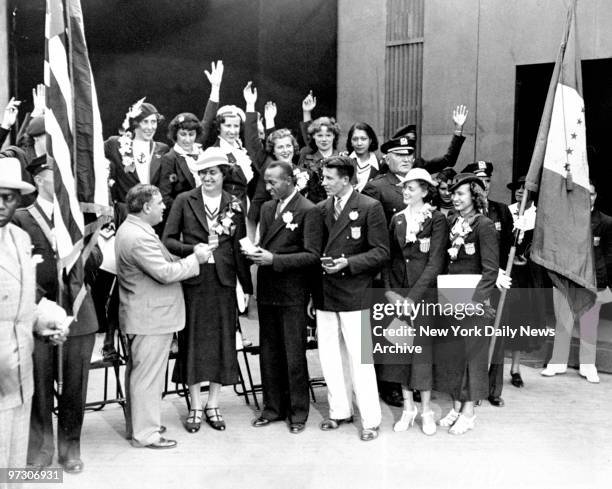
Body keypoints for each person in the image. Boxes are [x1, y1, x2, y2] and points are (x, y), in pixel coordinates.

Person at [12, 156, 100, 474]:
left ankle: (70, 446)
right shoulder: (21, 217)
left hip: (77, 312)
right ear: (38, 179)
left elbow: (97, 260)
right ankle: (41, 448)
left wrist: (76, 251)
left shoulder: (74, 216)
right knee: (37, 383)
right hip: (37, 314)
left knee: (75, 384)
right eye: (54, 174)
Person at [163, 148, 253, 433]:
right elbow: (167, 240)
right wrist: (193, 249)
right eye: (202, 173)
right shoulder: (183, 200)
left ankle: (213, 403)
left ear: (223, 174)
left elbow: (240, 247)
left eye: (212, 172)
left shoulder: (235, 203)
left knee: (221, 343)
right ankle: (195, 406)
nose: (207, 178)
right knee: (192, 342)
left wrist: (245, 286)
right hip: (194, 280)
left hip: (223, 281)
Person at [115, 184, 209, 449]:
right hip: (150, 317)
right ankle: (146, 434)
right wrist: (196, 259)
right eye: (159, 204)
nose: (163, 208)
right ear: (146, 207)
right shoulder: (139, 237)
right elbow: (165, 273)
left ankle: (141, 426)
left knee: (141, 374)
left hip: (144, 315)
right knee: (147, 377)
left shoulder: (133, 229)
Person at [313, 156, 389, 441]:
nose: (324, 182)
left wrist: (349, 263)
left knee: (360, 359)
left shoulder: (370, 207)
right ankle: (339, 411)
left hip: (355, 291)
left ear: (346, 179)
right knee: (330, 357)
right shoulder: (321, 209)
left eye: (329, 178)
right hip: (325, 291)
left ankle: (370, 419)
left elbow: (381, 252)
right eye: (324, 177)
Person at [0, 157, 67, 480]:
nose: (1, 204)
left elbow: (23, 298)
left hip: (20, 368)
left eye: (8, 197)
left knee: (12, 466)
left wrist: (44, 321)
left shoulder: (19, 238)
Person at [246, 161, 323, 434]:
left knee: (293, 353)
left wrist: (274, 259)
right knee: (269, 352)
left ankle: (297, 412)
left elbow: (313, 255)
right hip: (268, 290)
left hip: (292, 292)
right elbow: (267, 243)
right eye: (266, 182)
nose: (267, 188)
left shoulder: (308, 210)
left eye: (273, 182)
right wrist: (256, 252)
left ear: (290, 180)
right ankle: (273, 408)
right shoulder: (268, 208)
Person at [435, 173, 510, 435]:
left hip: (474, 300)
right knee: (453, 355)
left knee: (472, 358)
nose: (454, 198)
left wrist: (476, 302)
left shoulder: (484, 225)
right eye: (453, 194)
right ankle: (457, 405)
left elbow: (490, 270)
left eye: (460, 194)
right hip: (451, 297)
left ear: (474, 197)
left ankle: (469, 412)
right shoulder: (453, 221)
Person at [380, 168, 448, 436]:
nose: (405, 191)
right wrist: (390, 293)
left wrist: (412, 298)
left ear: (424, 191)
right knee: (401, 353)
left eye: (411, 188)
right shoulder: (396, 219)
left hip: (422, 296)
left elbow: (435, 263)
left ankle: (427, 410)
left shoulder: (436, 219)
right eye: (404, 187)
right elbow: (389, 259)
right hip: (398, 296)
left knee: (421, 354)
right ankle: (408, 408)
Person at [542, 182, 612, 383]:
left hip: (591, 281)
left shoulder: (605, 221)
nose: (587, 197)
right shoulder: (564, 219)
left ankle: (588, 366)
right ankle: (558, 362)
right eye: (583, 194)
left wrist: (600, 278)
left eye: (591, 194)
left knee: (590, 323)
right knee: (563, 321)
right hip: (567, 278)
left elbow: (609, 255)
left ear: (596, 196)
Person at [462, 161, 513, 407]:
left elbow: (507, 248)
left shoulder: (501, 210)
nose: (486, 186)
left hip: (497, 282)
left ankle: (493, 389)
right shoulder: (466, 214)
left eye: (488, 181)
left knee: (496, 334)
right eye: (480, 182)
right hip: (473, 280)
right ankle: (472, 388)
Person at [362, 105, 468, 223]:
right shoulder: (377, 186)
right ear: (387, 159)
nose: (406, 160)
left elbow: (448, 160)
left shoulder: (419, 171)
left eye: (409, 155)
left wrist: (458, 129)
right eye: (400, 155)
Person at [504, 176, 545, 387]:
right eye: (517, 188)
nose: (520, 191)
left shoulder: (538, 217)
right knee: (501, 318)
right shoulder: (506, 212)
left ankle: (516, 367)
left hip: (526, 276)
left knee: (520, 321)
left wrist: (527, 259)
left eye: (525, 189)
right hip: (506, 274)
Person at [200, 61, 255, 208]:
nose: (232, 130)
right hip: (224, 210)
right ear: (219, 127)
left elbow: (252, 136)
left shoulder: (241, 150)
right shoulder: (215, 151)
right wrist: (215, 88)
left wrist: (250, 105)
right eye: (227, 125)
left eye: (236, 126)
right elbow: (206, 122)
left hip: (244, 207)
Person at [105, 99, 169, 227]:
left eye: (154, 122)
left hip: (152, 215)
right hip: (125, 215)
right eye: (145, 122)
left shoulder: (162, 149)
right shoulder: (115, 144)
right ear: (135, 123)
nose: (150, 127)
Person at [158, 112, 204, 214]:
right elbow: (165, 196)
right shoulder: (170, 159)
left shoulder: (202, 153)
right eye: (183, 134)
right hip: (184, 215)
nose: (187, 140)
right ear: (175, 134)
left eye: (191, 134)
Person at [298, 111, 341, 204]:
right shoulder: (306, 159)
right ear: (313, 136)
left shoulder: (342, 159)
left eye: (328, 135)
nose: (324, 139)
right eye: (320, 135)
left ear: (334, 136)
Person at [345, 122, 383, 192]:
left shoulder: (380, 165)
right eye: (355, 139)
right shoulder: (344, 161)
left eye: (363, 139)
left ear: (370, 140)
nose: (359, 143)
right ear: (350, 141)